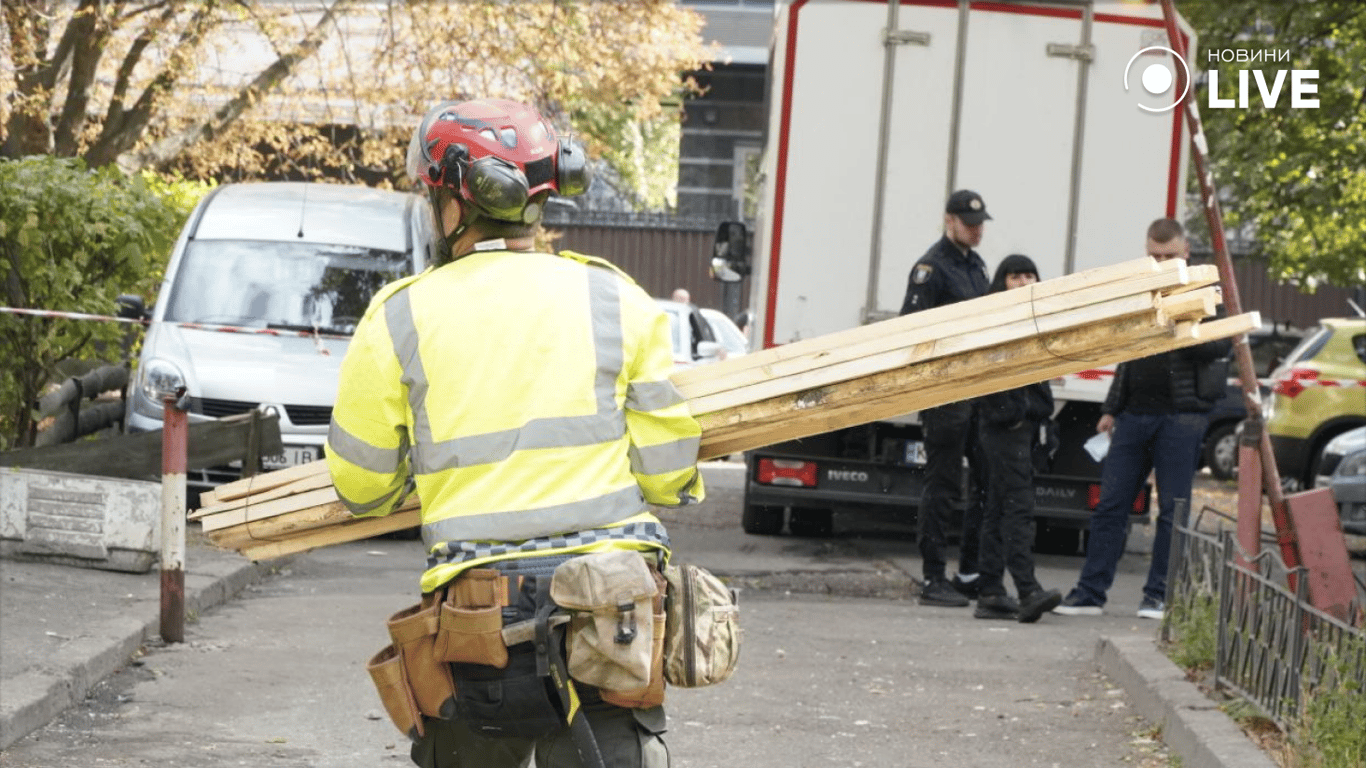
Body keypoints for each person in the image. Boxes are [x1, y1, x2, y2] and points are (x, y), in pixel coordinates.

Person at [326, 98, 705, 768]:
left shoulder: (400, 315)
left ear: (455, 204)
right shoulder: (616, 298)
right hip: (609, 605)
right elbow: (668, 471)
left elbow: (362, 486)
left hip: (479, 614)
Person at [1053, 218, 1230, 620]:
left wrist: (1184, 322)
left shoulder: (1204, 289)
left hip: (1181, 418)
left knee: (1173, 511)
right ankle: (1090, 593)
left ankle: (1159, 596)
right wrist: (1111, 410)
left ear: (1186, 252)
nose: (1162, 262)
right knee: (1111, 506)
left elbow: (1221, 348)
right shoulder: (1143, 291)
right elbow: (1129, 358)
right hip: (1134, 416)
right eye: (1154, 256)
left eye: (1169, 256)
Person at [900, 189, 993, 607]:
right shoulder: (931, 268)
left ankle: (970, 571)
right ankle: (933, 577)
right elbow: (913, 331)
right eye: (969, 223)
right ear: (949, 221)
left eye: (980, 224)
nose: (976, 230)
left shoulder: (976, 266)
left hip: (977, 392)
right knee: (942, 488)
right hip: (946, 394)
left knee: (987, 486)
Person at [971, 255, 1063, 623]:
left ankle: (991, 591)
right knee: (1018, 508)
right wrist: (1009, 414)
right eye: (1015, 277)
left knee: (996, 508)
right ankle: (1027, 590)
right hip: (1003, 430)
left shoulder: (1034, 319)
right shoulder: (996, 319)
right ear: (1001, 283)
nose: (1024, 282)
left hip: (1019, 428)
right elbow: (987, 375)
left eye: (1030, 275)